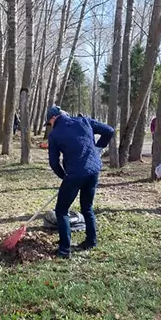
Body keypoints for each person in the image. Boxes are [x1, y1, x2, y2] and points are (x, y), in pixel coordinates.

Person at [46, 106, 114, 259]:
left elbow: (53, 162)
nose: (50, 125)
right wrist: (98, 148)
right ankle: (91, 241)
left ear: (53, 118)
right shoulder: (84, 120)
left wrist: (63, 176)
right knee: (87, 207)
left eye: (49, 122)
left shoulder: (55, 134)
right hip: (94, 170)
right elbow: (109, 130)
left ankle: (64, 250)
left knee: (61, 210)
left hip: (75, 173)